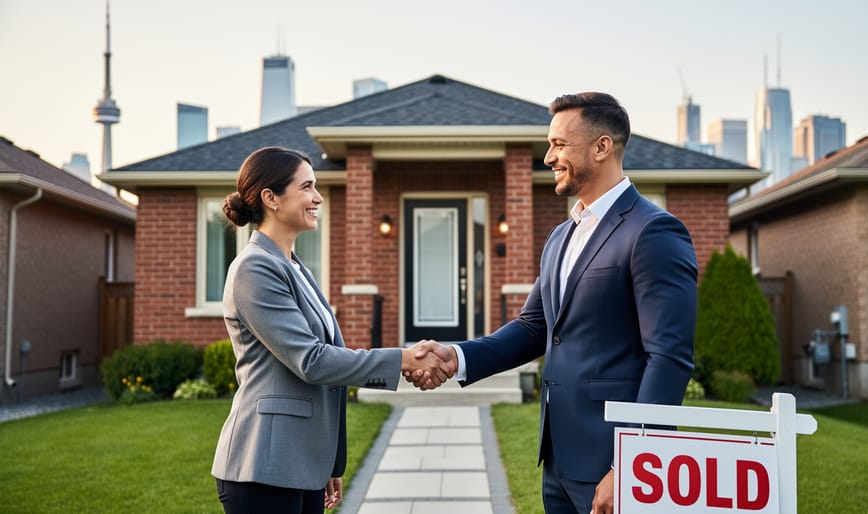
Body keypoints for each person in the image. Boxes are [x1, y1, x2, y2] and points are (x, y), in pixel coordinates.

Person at [410, 92, 698, 514]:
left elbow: (669, 356)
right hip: (559, 458)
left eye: (559, 144)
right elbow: (533, 328)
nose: (548, 157)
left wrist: (635, 462)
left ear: (602, 147)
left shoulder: (653, 232)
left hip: (614, 461)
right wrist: (456, 356)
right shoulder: (560, 237)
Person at [211, 146, 453, 514]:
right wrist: (403, 358)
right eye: (307, 187)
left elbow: (326, 370)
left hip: (301, 461)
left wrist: (327, 462)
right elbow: (311, 360)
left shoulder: (294, 266)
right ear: (270, 198)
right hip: (262, 465)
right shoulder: (254, 268)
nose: (318, 197)